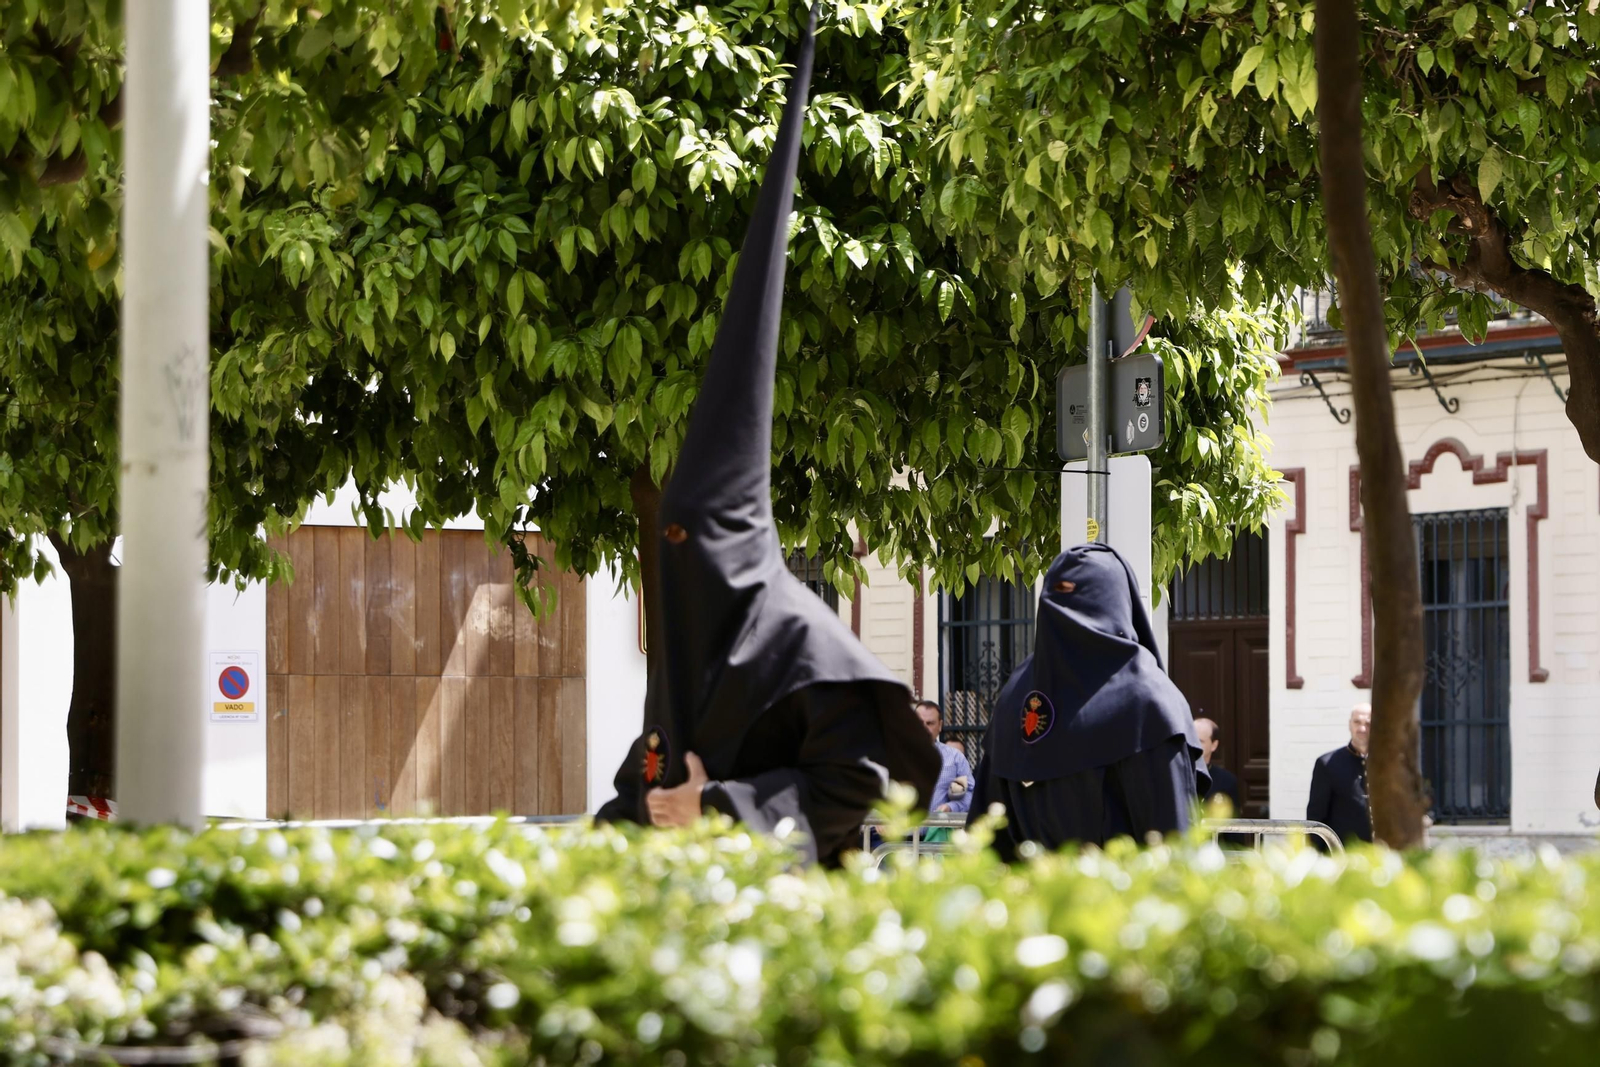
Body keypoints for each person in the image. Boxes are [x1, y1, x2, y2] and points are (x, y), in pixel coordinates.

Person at [593, 11, 938, 867]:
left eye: (688, 537)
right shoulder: (687, 658)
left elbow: (858, 787)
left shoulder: (803, 642)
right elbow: (644, 791)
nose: (676, 561)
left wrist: (717, 806)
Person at [967, 543, 1209, 859]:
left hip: (1031, 902)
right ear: (1121, 601)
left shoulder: (1015, 697)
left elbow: (984, 841)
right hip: (1116, 903)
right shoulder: (1148, 702)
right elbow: (1174, 847)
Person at [1306, 704, 1373, 845]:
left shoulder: (1388, 764)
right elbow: (1315, 820)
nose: (1362, 728)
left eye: (1368, 723)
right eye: (1357, 722)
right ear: (1350, 725)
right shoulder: (1327, 763)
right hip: (1341, 856)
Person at [916, 700, 974, 817]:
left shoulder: (955, 758)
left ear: (940, 725)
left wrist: (951, 807)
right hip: (901, 833)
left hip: (939, 832)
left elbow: (969, 794)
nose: (924, 728)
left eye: (930, 723)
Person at [1193, 717, 1242, 816]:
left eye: (1200, 741)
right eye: (1191, 740)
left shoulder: (1227, 781)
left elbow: (1234, 825)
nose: (1194, 745)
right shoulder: (1175, 776)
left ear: (1214, 745)